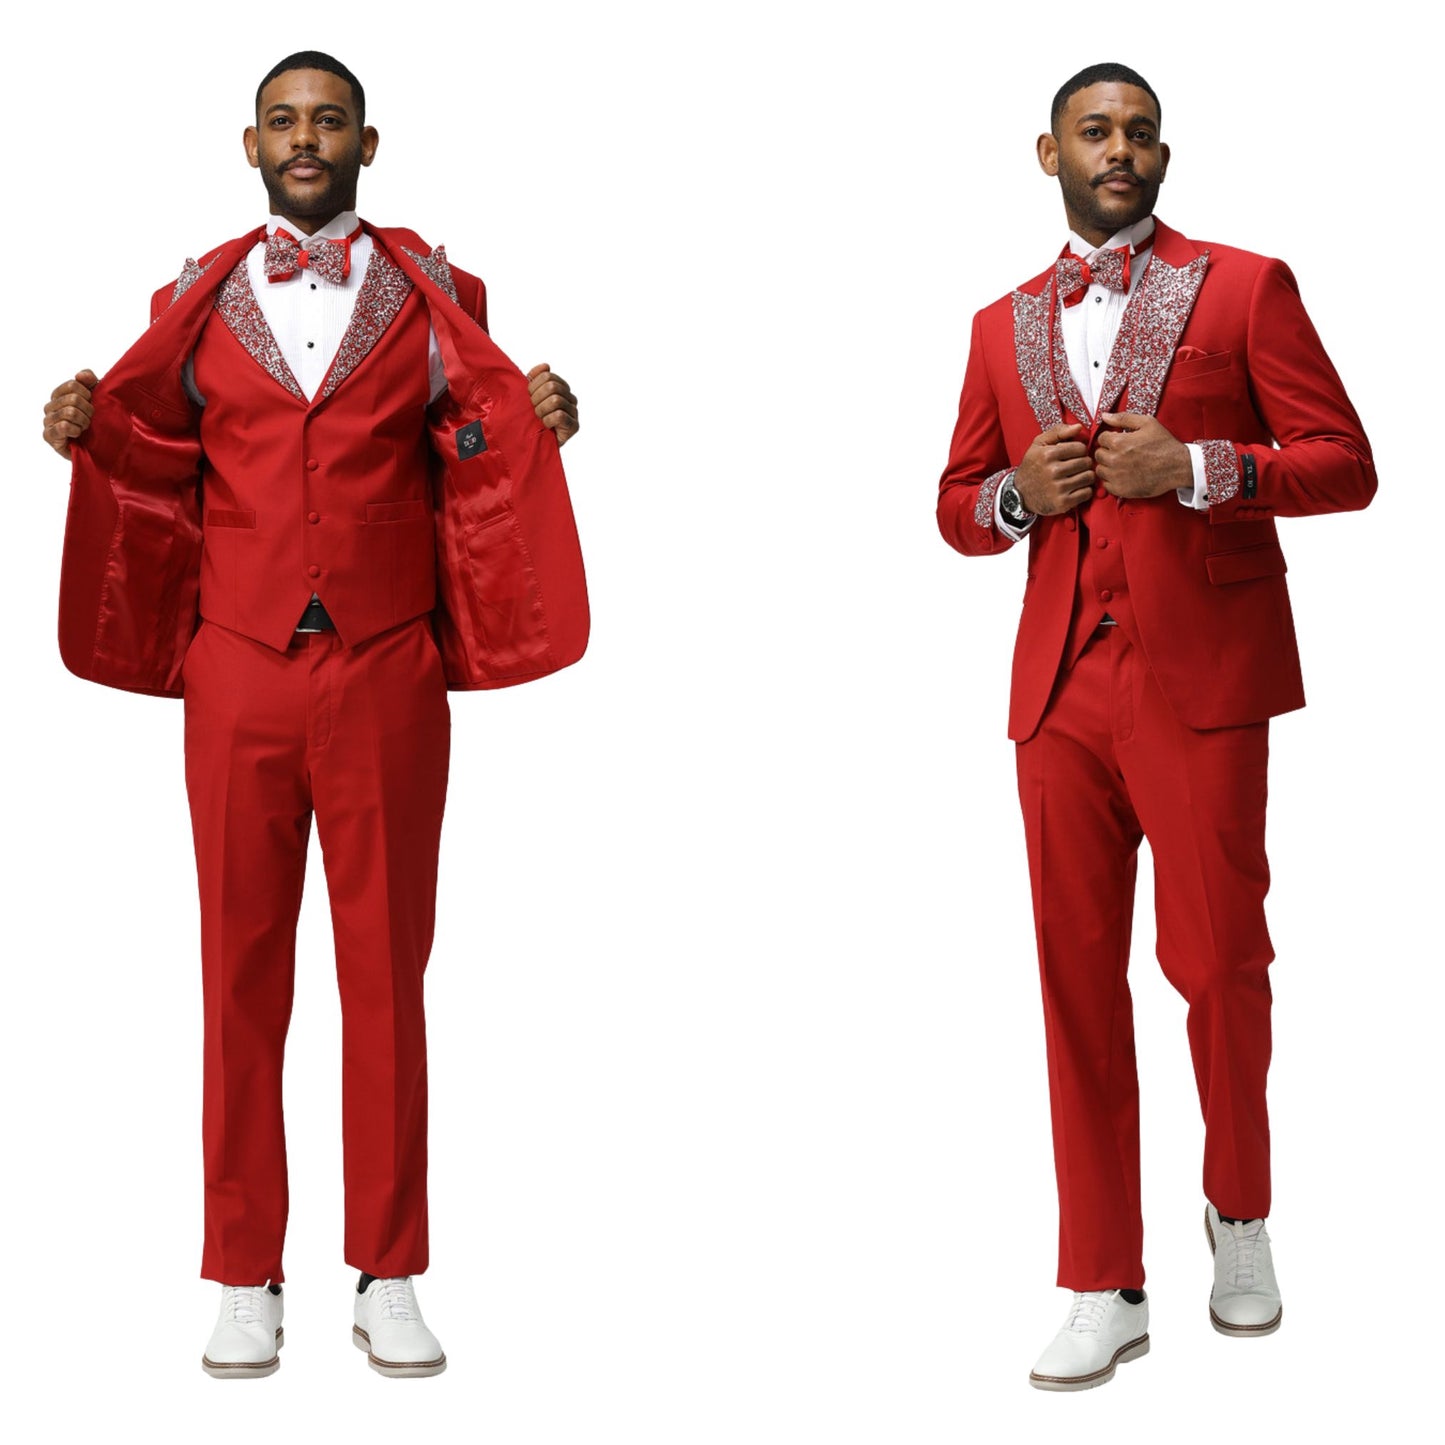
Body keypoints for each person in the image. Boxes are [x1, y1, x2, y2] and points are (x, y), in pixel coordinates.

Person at [41, 50, 589, 1381]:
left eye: (327, 119)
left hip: (387, 665)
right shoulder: (191, 297)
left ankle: (387, 1270)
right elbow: (170, 457)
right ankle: (244, 1273)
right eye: (284, 121)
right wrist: (91, 436)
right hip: (236, 670)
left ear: (367, 139)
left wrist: (534, 421)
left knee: (384, 974)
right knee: (238, 975)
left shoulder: (436, 294)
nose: (306, 138)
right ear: (249, 144)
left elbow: (470, 446)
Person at [936, 61, 1374, 1391]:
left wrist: (1191, 470)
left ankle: (1237, 1218)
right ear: (1045, 152)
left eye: (1136, 133)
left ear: (1161, 156)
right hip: (1057, 693)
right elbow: (953, 504)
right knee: (1073, 988)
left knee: (1216, 959)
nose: (1116, 150)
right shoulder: (995, 322)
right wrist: (1014, 498)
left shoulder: (1245, 286)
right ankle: (1099, 1278)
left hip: (1201, 681)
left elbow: (1345, 463)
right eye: (1092, 131)